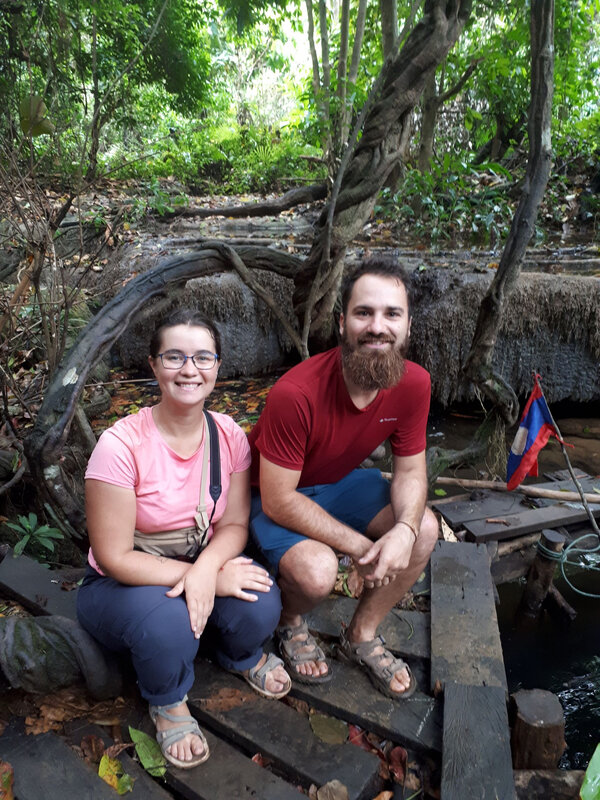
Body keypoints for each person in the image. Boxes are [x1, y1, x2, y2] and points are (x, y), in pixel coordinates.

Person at [77, 309, 290, 770]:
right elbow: (113, 556)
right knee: (168, 627)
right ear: (153, 366)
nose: (189, 369)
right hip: (121, 583)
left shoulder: (229, 435)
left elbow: (234, 526)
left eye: (202, 357)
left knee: (262, 601)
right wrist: (203, 578)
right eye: (174, 356)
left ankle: (237, 654)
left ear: (217, 367)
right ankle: (168, 700)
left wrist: (209, 569)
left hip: (197, 559)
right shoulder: (120, 446)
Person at [249, 257, 439, 700]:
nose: (378, 326)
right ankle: (289, 621)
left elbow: (410, 471)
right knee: (318, 572)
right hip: (271, 493)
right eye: (363, 313)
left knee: (424, 528)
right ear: (342, 324)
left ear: (408, 326)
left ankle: (361, 634)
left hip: (338, 483)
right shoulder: (295, 394)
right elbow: (278, 500)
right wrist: (360, 549)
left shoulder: (414, 384)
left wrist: (404, 530)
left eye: (392, 314)